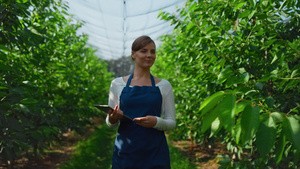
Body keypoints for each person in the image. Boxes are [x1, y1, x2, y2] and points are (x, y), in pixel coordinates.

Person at [106, 35, 176, 169]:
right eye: (144, 51)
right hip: (125, 152)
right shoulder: (117, 84)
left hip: (155, 152)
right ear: (133, 54)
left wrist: (156, 122)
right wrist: (113, 119)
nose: (149, 55)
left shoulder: (164, 86)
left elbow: (171, 122)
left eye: (152, 51)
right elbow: (110, 124)